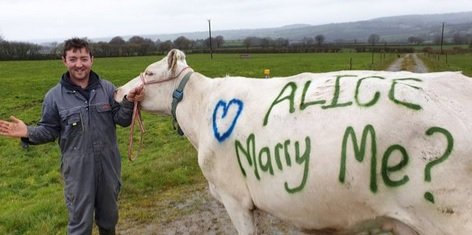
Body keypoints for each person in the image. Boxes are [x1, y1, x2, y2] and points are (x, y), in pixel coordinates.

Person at [0, 38, 144, 235]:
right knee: (80, 227)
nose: (79, 64)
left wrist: (128, 102)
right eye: (73, 59)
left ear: (92, 60)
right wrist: (28, 132)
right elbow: (49, 130)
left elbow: (122, 120)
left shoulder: (108, 89)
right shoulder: (54, 97)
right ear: (64, 61)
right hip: (77, 171)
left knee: (109, 221)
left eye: (84, 58)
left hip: (109, 168)